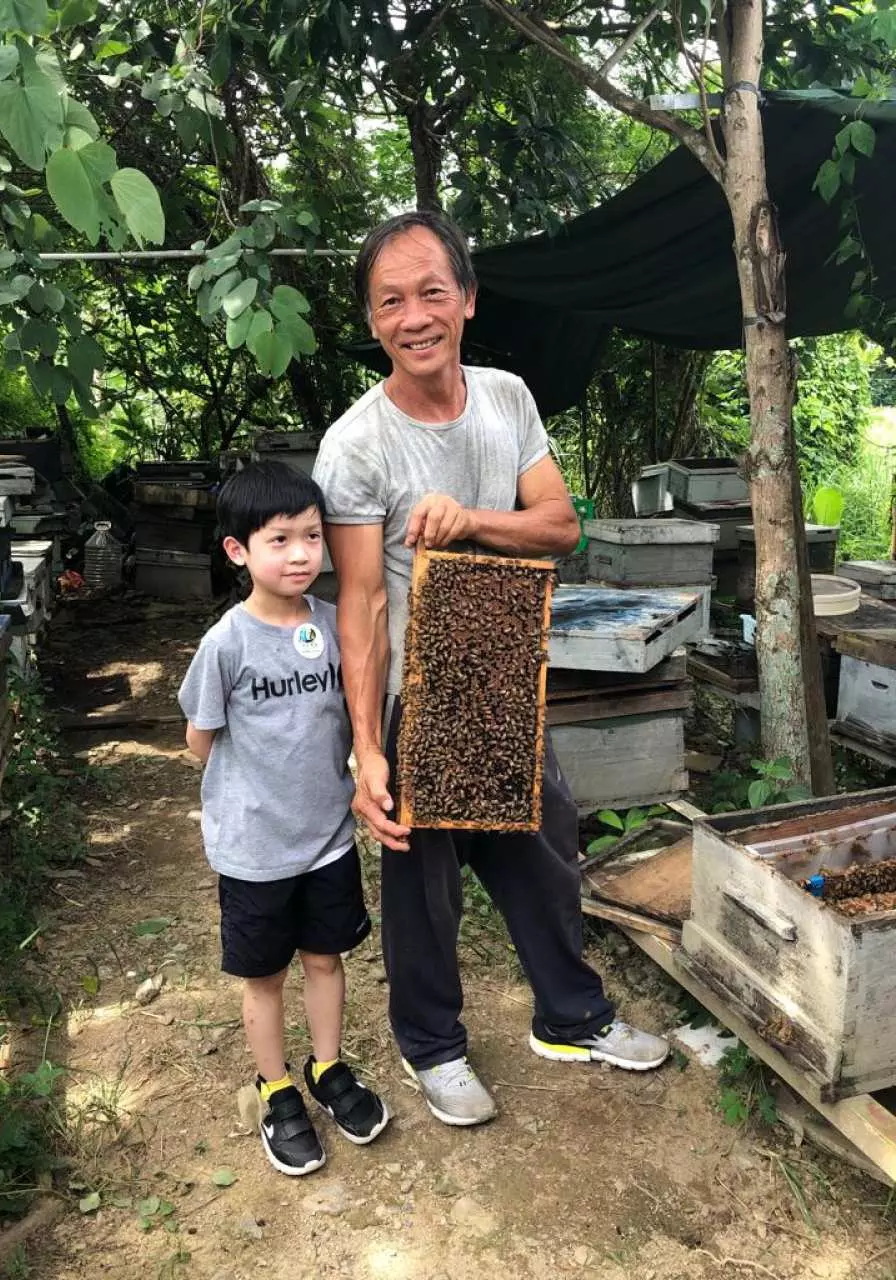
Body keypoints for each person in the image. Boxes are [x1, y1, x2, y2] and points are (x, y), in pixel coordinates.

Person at [313, 210, 670, 1128]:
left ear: (467, 299)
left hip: (502, 675)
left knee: (546, 848)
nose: (414, 315)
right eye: (390, 301)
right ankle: (431, 1045)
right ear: (372, 321)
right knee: (419, 883)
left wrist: (470, 520)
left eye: (433, 291)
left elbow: (558, 527)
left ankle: (572, 1015)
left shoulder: (507, 399)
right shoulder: (355, 446)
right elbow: (362, 603)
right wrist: (367, 749)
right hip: (412, 695)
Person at [178, 460, 390, 1175]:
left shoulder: (335, 627)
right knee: (264, 975)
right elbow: (198, 741)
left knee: (326, 958)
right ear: (238, 551)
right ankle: (275, 1090)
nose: (301, 554)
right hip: (254, 850)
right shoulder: (226, 644)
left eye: (310, 536)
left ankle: (327, 1069)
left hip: (327, 839)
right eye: (279, 540)